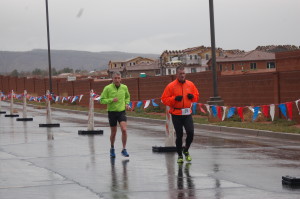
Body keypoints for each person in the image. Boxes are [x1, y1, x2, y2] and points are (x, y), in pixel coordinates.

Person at [161, 66, 199, 163]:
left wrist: (192, 97)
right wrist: (174, 99)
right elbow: (164, 99)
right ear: (177, 74)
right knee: (179, 134)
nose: (182, 75)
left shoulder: (190, 84)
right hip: (176, 113)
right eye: (180, 74)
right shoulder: (171, 86)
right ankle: (180, 155)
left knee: (190, 132)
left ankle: (186, 150)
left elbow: (196, 96)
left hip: (187, 113)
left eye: (183, 73)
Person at [100, 72, 131, 158]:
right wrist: (111, 100)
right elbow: (102, 100)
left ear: (121, 79)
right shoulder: (107, 88)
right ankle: (112, 148)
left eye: (118, 78)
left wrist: (127, 104)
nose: (117, 80)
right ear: (112, 79)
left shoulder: (124, 87)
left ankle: (124, 149)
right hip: (112, 112)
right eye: (115, 78)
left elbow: (127, 97)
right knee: (113, 132)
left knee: (124, 129)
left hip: (121, 111)